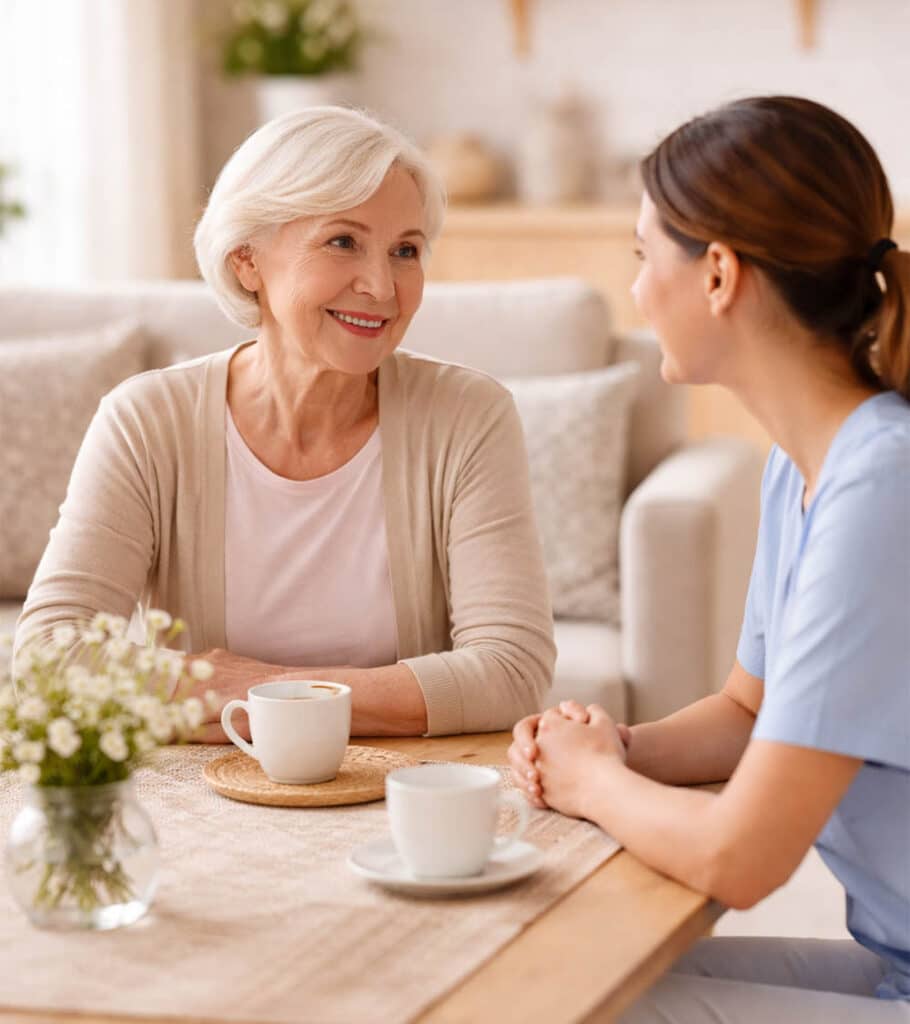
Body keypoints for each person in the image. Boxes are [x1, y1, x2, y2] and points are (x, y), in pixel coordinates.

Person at [509, 95, 910, 1021]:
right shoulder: (803, 463)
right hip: (896, 962)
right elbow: (748, 708)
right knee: (573, 979)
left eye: (646, 258)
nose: (639, 291)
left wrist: (594, 782)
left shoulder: (881, 485)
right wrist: (618, 748)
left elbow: (742, 857)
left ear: (720, 273)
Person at [17, 106, 555, 740]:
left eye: (404, 250)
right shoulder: (146, 421)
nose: (382, 287)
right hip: (205, 793)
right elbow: (49, 654)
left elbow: (511, 670)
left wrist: (247, 689)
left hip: (405, 792)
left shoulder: (468, 416)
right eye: (343, 241)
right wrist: (358, 699)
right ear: (248, 260)